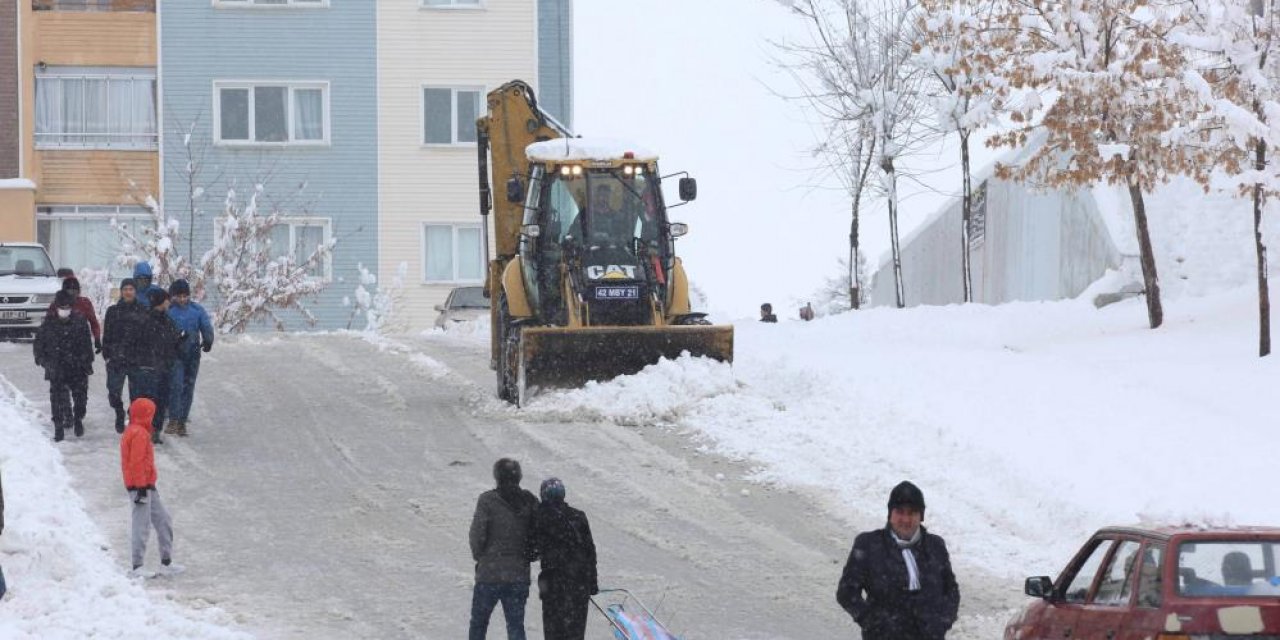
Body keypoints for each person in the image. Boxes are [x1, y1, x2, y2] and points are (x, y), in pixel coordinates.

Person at [837, 481, 960, 640]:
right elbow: (846, 592)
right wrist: (872, 623)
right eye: (900, 512)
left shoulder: (935, 546)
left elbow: (951, 590)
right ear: (890, 514)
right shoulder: (869, 544)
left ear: (921, 516)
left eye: (912, 513)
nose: (906, 519)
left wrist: (943, 621)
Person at [468, 458, 539, 640]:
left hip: (489, 575)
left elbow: (477, 534)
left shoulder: (487, 500)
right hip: (518, 576)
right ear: (519, 476)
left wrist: (481, 557)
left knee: (479, 624)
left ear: (497, 476)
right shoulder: (530, 501)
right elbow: (540, 534)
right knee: (515, 626)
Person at [526, 477, 598, 640]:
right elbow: (590, 552)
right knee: (576, 633)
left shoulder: (540, 517)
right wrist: (592, 583)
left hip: (553, 584)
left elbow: (531, 552)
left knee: (554, 633)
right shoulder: (579, 516)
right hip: (580, 583)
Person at [120, 397, 180, 578]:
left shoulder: (137, 431)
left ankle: (166, 562)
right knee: (142, 524)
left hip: (147, 485)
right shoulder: (138, 434)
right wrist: (141, 488)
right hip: (141, 487)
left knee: (163, 520)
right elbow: (136, 462)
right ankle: (137, 566)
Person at [33, 290, 95, 442]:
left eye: (67, 307)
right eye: (61, 306)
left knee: (81, 398)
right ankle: (58, 427)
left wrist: (87, 362)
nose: (64, 310)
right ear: (56, 306)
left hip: (77, 367)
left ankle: (78, 418)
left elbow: (87, 345)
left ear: (71, 307)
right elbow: (39, 344)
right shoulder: (48, 323)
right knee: (57, 399)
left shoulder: (80, 322)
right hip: (57, 367)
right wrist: (43, 360)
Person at [125, 290, 183, 445]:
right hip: (148, 367)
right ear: (161, 301)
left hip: (159, 367)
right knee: (149, 400)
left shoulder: (164, 320)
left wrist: (180, 340)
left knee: (158, 400)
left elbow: (172, 342)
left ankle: (153, 430)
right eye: (166, 300)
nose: (169, 303)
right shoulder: (147, 321)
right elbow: (135, 343)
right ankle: (145, 430)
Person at [164, 279, 213, 437]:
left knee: (188, 387)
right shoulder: (168, 311)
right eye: (179, 296)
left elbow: (206, 325)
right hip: (174, 354)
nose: (183, 299)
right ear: (173, 296)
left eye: (185, 296)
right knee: (176, 386)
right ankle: (173, 418)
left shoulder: (197, 310)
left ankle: (182, 421)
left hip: (192, 354)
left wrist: (208, 340)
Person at [102, 278, 145, 433]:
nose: (128, 292)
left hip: (136, 359)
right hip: (116, 359)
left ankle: (132, 418)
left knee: (137, 395)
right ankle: (119, 412)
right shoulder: (113, 311)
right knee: (113, 392)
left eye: (131, 289)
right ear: (121, 292)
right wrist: (107, 355)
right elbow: (106, 335)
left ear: (135, 291)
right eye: (125, 289)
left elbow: (147, 336)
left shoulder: (142, 311)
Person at [45, 276, 102, 353]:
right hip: (61, 345)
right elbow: (48, 324)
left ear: (78, 291)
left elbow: (93, 322)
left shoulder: (85, 303)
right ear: (64, 291)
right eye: (70, 291)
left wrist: (97, 338)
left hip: (82, 345)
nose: (73, 293)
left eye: (75, 291)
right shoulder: (57, 304)